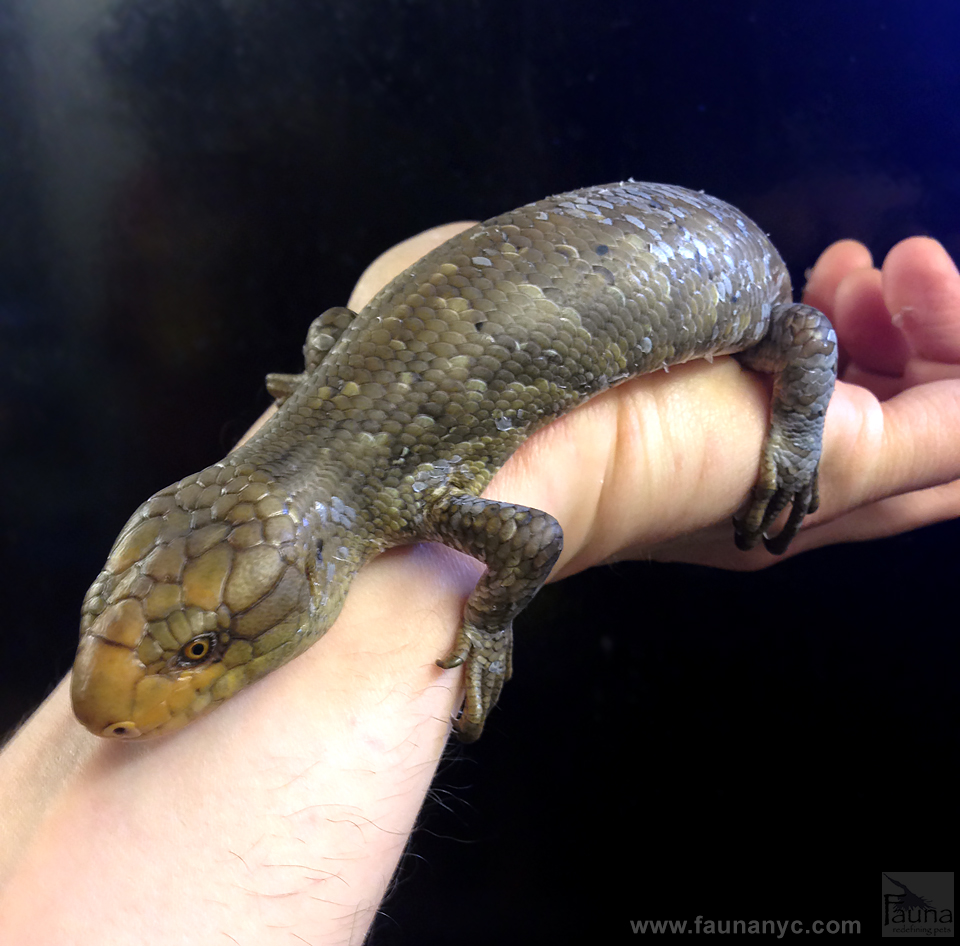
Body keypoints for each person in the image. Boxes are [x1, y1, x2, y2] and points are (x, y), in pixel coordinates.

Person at [1, 223, 958, 943]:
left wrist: (489, 617)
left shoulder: (395, 497)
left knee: (792, 333)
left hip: (733, 280)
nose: (113, 702)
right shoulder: (370, 495)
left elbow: (531, 539)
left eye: (202, 649)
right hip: (624, 245)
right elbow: (351, 338)